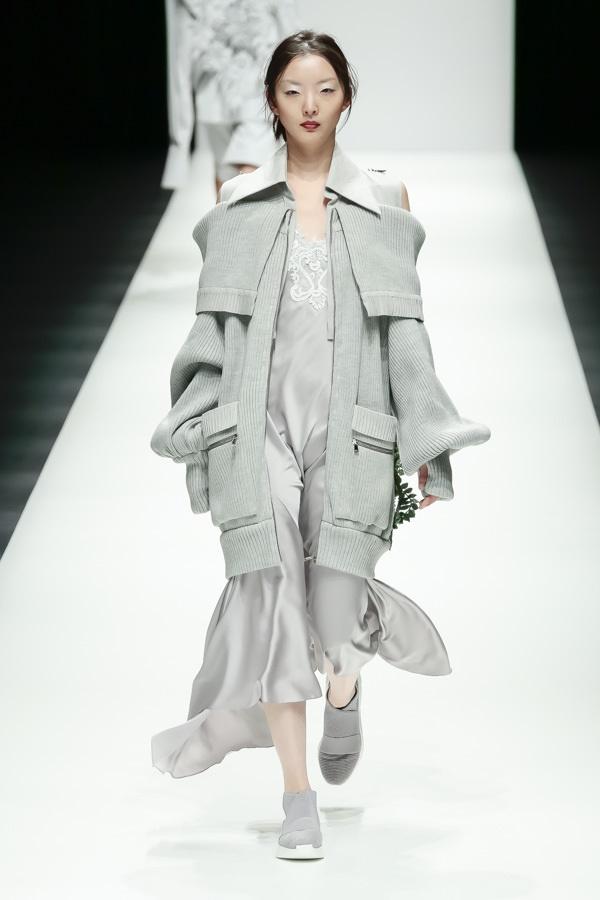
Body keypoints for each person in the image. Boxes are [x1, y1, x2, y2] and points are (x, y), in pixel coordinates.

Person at [149, 30, 492, 860]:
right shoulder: (238, 197)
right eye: (294, 90)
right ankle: (296, 797)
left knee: (335, 612)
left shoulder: (384, 197)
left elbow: (405, 332)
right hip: (256, 429)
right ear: (272, 100)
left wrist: (427, 440)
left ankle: (344, 688)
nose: (309, 106)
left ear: (347, 97)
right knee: (270, 601)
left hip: (352, 429)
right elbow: (213, 329)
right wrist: (199, 425)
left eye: (325, 89)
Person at [161, 0, 299, 194]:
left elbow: (292, 38)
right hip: (216, 100)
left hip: (254, 95)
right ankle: (225, 215)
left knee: (246, 176)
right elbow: (181, 61)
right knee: (228, 179)